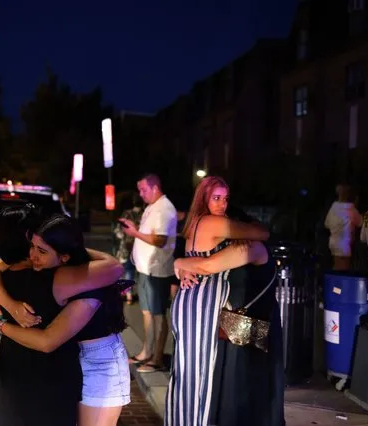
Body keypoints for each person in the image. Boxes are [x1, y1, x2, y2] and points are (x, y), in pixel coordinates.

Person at [0, 206, 123, 426]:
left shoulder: (2, 276)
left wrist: (4, 317)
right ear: (29, 239)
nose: (36, 254)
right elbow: (114, 267)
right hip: (50, 379)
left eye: (43, 248)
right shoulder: (59, 277)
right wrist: (72, 248)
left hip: (14, 376)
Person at [165, 176, 284, 426]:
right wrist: (180, 264)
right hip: (211, 308)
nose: (222, 205)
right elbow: (261, 232)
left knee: (192, 374)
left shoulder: (196, 223)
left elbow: (204, 263)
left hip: (210, 308)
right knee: (207, 376)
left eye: (226, 200)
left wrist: (179, 263)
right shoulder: (217, 225)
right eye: (216, 198)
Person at [120, 173, 177, 373]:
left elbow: (160, 240)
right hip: (146, 270)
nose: (141, 194)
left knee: (158, 314)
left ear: (155, 187)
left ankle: (157, 358)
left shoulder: (164, 208)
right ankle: (147, 351)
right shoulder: (153, 207)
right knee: (147, 312)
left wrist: (134, 233)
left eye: (144, 189)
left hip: (157, 271)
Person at [325, 184, 363, 271]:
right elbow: (361, 223)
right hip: (344, 244)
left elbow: (326, 224)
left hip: (333, 242)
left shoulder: (333, 208)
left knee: (336, 266)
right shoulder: (351, 210)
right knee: (342, 270)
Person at [114, 192, 143, 304]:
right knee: (137, 272)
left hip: (126, 246)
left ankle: (128, 295)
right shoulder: (145, 214)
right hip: (141, 247)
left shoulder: (126, 214)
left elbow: (118, 231)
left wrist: (122, 236)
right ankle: (137, 295)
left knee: (127, 271)